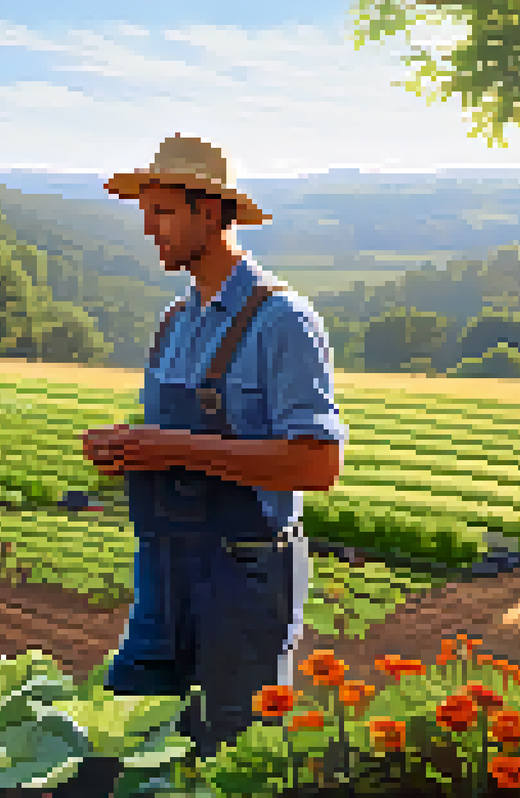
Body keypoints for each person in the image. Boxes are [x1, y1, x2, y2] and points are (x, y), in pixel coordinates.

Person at [81, 134, 348, 765]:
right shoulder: (177, 319)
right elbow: (175, 443)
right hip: (163, 566)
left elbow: (317, 464)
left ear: (210, 212)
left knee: (236, 751)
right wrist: (128, 449)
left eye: (163, 212)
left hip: (244, 572)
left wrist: (172, 448)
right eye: (144, 213)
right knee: (122, 734)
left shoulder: (281, 319)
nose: (149, 230)